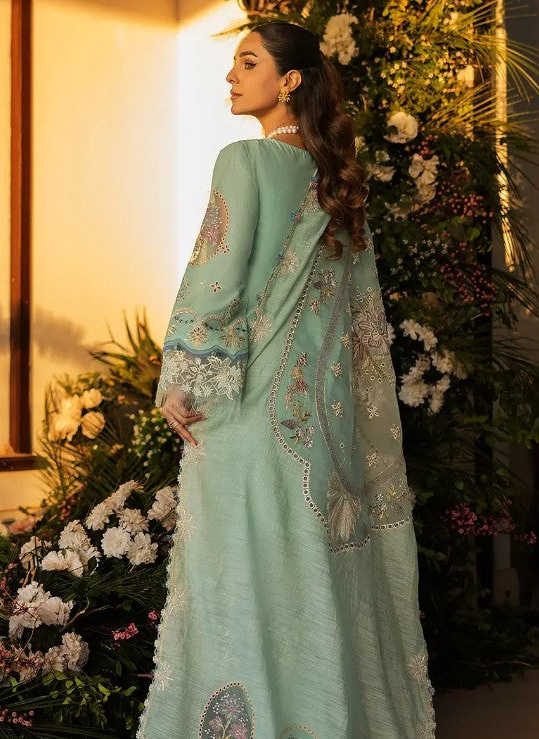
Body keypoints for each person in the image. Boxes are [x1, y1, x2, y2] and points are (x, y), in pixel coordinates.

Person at [137, 21, 436, 739]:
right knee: (309, 581)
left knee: (241, 586)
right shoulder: (339, 183)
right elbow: (360, 326)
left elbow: (217, 275)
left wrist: (182, 378)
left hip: (245, 419)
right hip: (323, 431)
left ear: (290, 80)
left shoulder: (244, 159)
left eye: (248, 63)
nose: (232, 77)